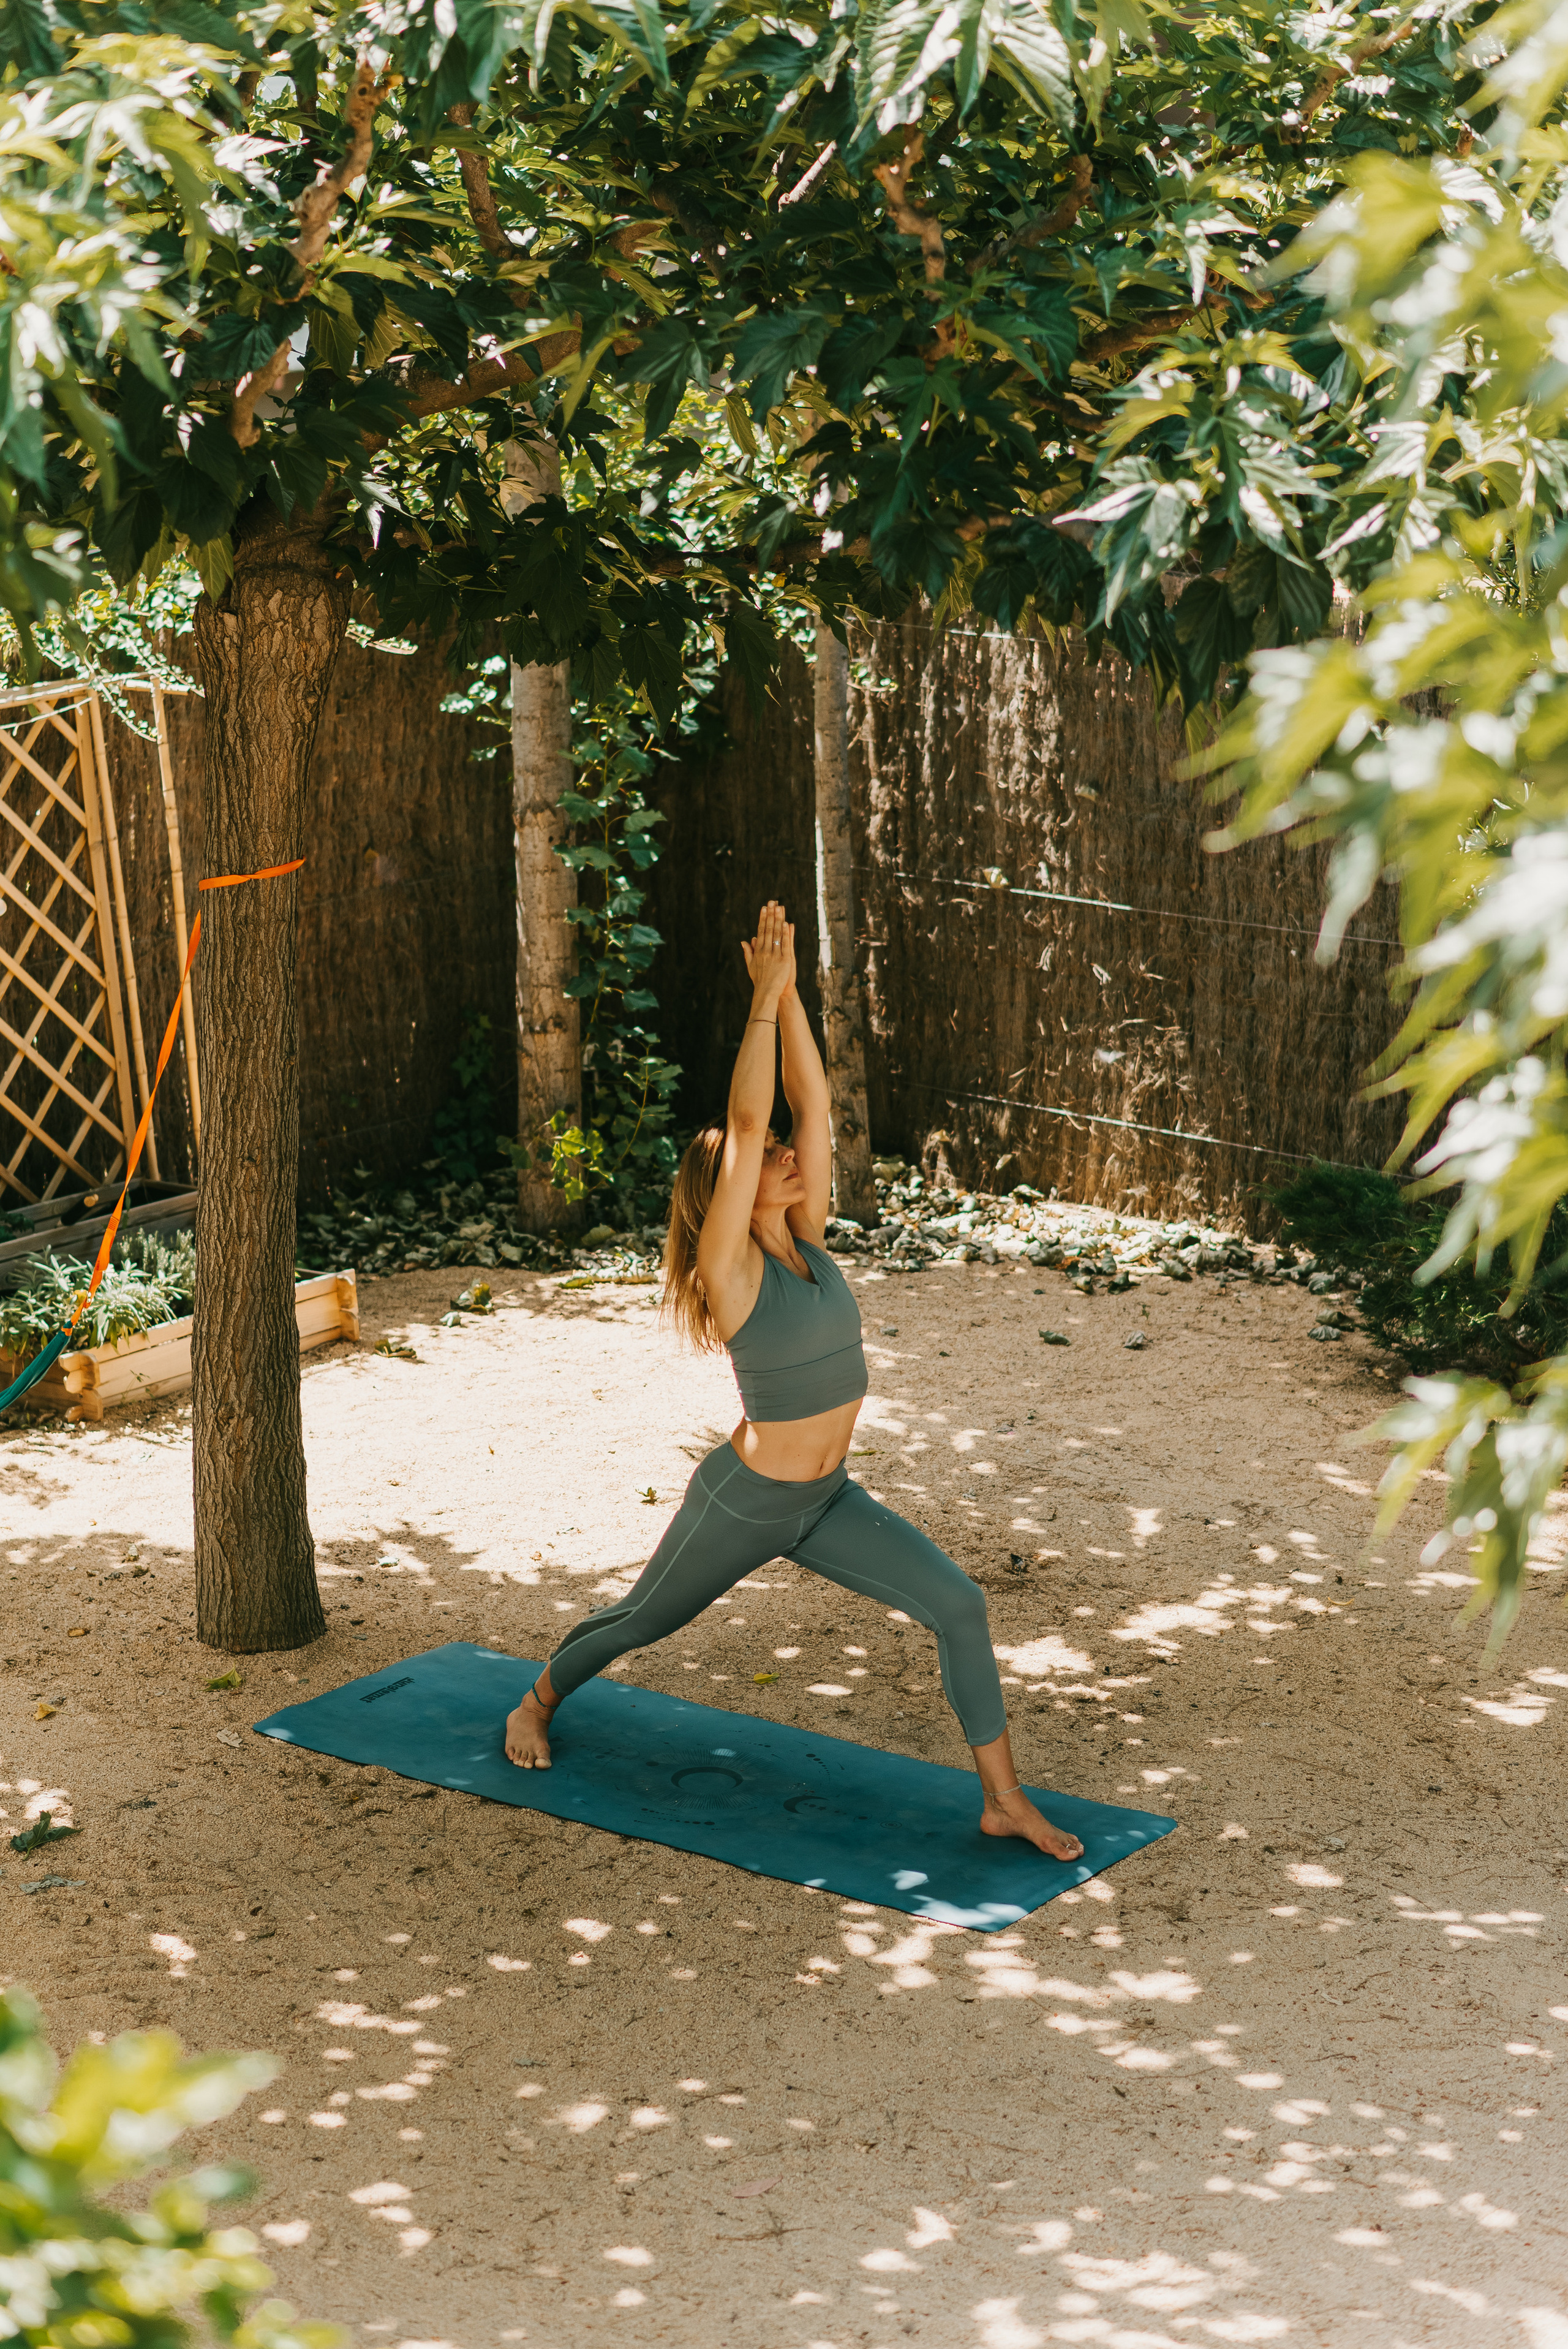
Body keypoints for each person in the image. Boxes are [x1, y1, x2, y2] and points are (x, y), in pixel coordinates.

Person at [504, 901, 1084, 1861]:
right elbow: (747, 1118)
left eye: (783, 1156)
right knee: (644, 1616)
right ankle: (536, 1700)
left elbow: (813, 1108)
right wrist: (761, 1010)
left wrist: (793, 993)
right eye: (766, 1158)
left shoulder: (808, 1240)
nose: (783, 1153)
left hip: (825, 1499)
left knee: (959, 1603)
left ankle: (1003, 1799)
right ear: (726, 1191)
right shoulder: (730, 1273)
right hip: (745, 1503)